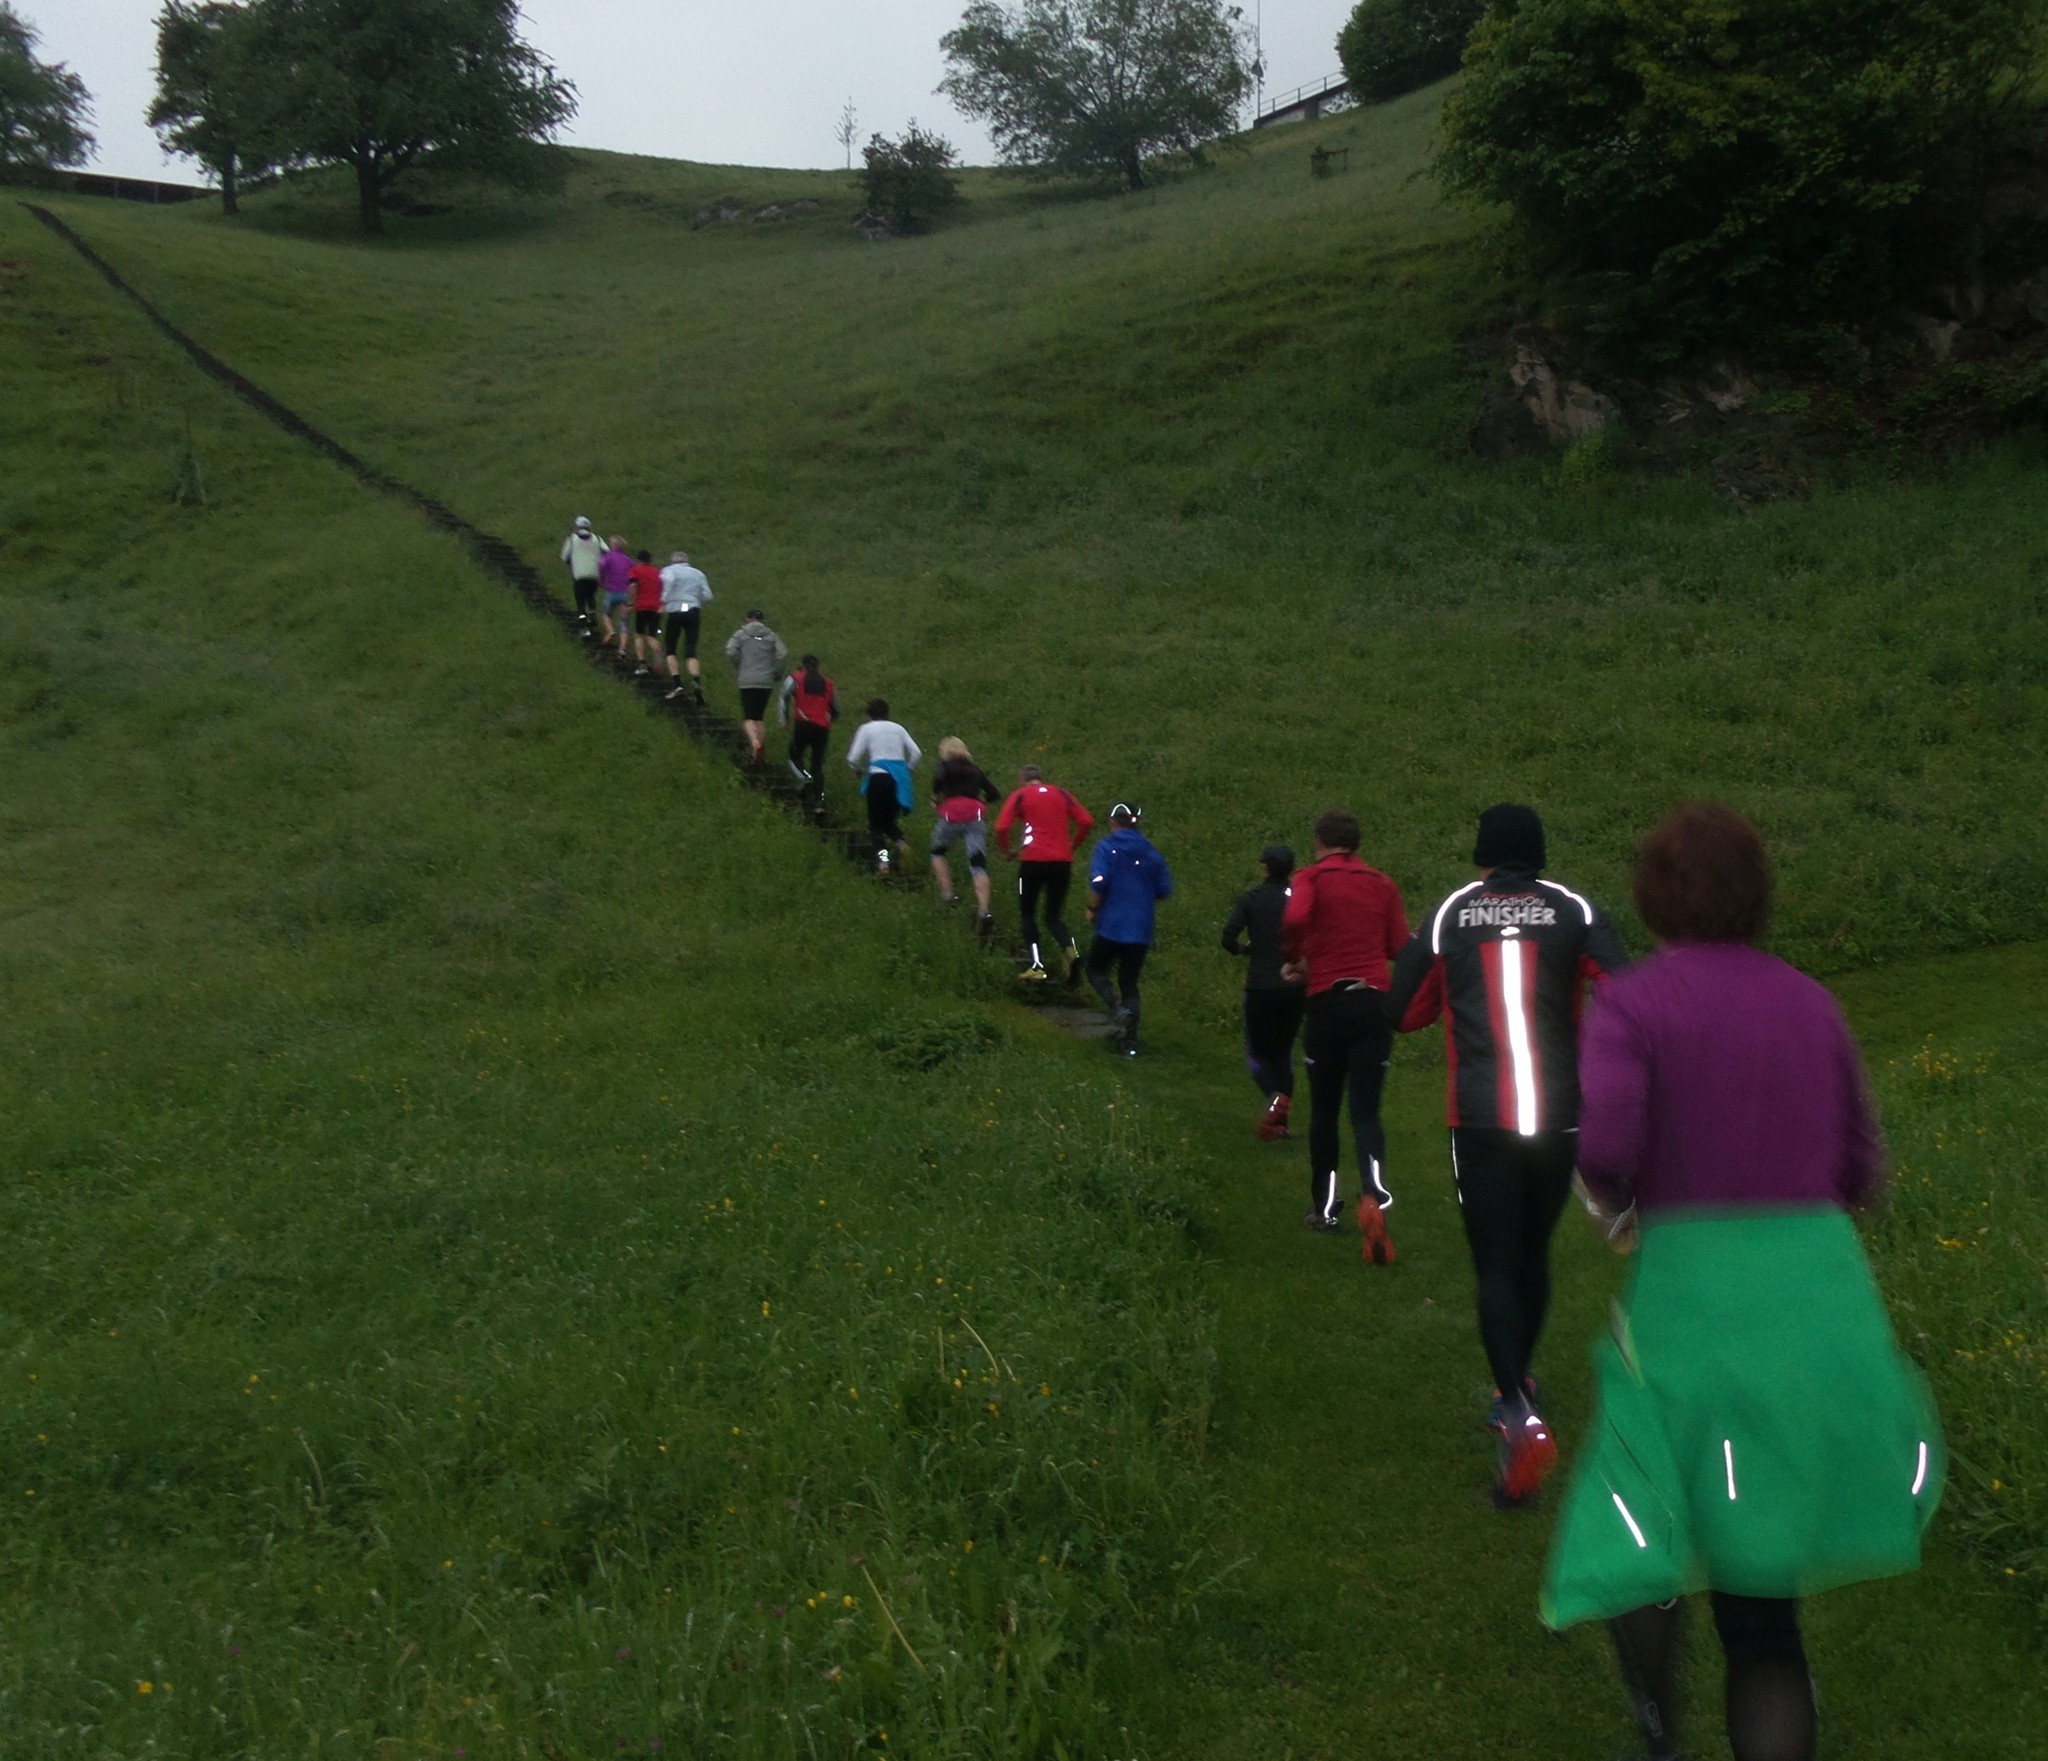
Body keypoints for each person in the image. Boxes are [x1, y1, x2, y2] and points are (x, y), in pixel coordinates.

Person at [1541, 802, 1941, 1761]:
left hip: (1697, 1288)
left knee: (1640, 1517)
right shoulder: (1811, 1001)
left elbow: (1604, 1148)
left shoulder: (1637, 1003)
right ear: (1760, 895)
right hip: (1816, 1291)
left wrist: (1621, 1209)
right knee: (1764, 1605)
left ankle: (1659, 1728)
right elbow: (1860, 1170)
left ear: (1652, 895)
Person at [1384, 803, 1631, 1507]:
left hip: (1483, 1120)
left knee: (1493, 1262)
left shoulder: (1450, 914)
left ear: (1482, 855)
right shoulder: (1577, 911)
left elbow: (1402, 1012)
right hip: (1557, 1119)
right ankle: (1517, 1381)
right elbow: (1626, 996)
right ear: (1540, 855)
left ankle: (1517, 1414)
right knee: (1532, 1255)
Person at [1280, 808, 1409, 1258]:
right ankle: (1373, 1195)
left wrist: (1296, 954)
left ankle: (1326, 1207)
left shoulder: (1311, 877)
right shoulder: (1382, 884)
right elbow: (1398, 945)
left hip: (1327, 1001)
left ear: (1318, 840)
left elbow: (1296, 919)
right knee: (1366, 1112)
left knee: (1324, 1111)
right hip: (1374, 1000)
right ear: (1356, 842)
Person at [1222, 845, 1307, 1142]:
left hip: (1261, 987)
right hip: (1295, 986)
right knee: (1283, 1055)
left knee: (1256, 1057)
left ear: (1265, 868)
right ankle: (1280, 1125)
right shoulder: (1299, 900)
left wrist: (1244, 948)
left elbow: (1228, 937)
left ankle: (1274, 1097)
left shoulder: (1252, 899)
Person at [1084, 803, 1173, 1056]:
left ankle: (1115, 1006)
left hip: (1112, 924)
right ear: (1136, 823)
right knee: (1129, 982)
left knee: (1095, 967)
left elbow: (1099, 880)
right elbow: (1164, 890)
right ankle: (1130, 1042)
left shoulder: (1107, 847)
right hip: (1141, 928)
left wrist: (1092, 907)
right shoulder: (1152, 854)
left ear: (1114, 821)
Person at [994, 766, 1095, 984]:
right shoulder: (1062, 793)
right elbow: (1086, 821)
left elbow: (1001, 827)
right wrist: (1072, 845)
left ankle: (1036, 966)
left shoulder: (1020, 795)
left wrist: (1007, 851)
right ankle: (1071, 950)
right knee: (1053, 916)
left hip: (1032, 862)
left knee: (1028, 913)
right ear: (1042, 779)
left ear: (1022, 780)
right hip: (1062, 863)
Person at [928, 737, 1001, 933]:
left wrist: (936, 799)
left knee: (937, 851)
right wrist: (980, 801)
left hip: (951, 815)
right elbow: (994, 793)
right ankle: (984, 911)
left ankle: (948, 895)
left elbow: (938, 781)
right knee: (978, 864)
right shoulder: (975, 770)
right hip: (974, 816)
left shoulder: (945, 766)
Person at [845, 699, 921, 872]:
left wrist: (857, 769)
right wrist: (906, 769)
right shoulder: (898, 728)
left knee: (876, 826)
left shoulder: (866, 729)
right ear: (888, 713)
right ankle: (903, 845)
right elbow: (916, 753)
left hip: (878, 779)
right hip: (898, 781)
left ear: (869, 714)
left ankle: (883, 862)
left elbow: (853, 758)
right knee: (889, 822)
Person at [723, 608, 788, 764]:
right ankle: (757, 748)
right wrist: (777, 672)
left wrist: (739, 664)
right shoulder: (771, 636)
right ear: (762, 620)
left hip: (747, 679)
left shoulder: (740, 634)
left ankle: (755, 744)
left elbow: (730, 651)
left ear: (747, 619)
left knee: (748, 717)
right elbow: (783, 654)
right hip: (766, 680)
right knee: (759, 717)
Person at [776, 654, 837, 800]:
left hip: (803, 723)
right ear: (818, 666)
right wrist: (828, 720)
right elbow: (835, 708)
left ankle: (805, 778)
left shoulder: (796, 678)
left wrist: (783, 719)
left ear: (802, 665)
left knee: (795, 755)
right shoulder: (828, 684)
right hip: (823, 727)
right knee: (817, 765)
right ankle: (820, 801)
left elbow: (784, 697)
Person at [659, 550, 714, 703]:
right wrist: (694, 601)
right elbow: (708, 595)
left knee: (671, 649)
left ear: (673, 561)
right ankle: (696, 682)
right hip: (693, 611)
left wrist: (663, 601)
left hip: (675, 611)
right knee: (691, 651)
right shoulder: (698, 573)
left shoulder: (669, 571)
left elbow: (667, 584)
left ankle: (677, 684)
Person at [560, 515, 605, 636]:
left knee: (580, 602)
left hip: (579, 576)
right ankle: (592, 615)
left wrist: (573, 565)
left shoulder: (572, 539)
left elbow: (564, 556)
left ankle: (583, 625)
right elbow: (607, 552)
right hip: (594, 575)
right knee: (590, 596)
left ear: (577, 526)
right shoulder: (597, 538)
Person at [627, 549, 665, 676]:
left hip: (642, 606)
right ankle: (657, 649)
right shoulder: (658, 573)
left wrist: (631, 602)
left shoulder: (635, 571)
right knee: (652, 635)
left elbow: (633, 586)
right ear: (650, 560)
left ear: (638, 560)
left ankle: (642, 664)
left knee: (639, 634)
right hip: (656, 607)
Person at [596, 535, 633, 652]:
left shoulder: (607, 557)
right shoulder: (628, 560)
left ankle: (610, 630)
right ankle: (622, 647)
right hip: (625, 593)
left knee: (606, 614)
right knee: (623, 620)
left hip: (611, 591)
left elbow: (601, 565)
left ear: (614, 545)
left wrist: (602, 581)